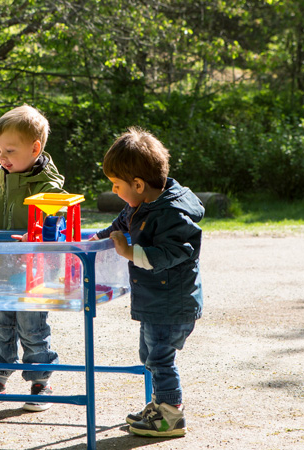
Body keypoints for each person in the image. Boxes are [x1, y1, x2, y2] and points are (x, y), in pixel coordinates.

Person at [90, 127, 204, 437]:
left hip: (172, 303)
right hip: (157, 301)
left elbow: (172, 253)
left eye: (116, 185)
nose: (114, 191)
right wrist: (95, 239)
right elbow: (122, 222)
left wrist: (128, 251)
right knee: (150, 355)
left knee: (159, 359)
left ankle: (170, 416)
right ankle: (159, 406)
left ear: (138, 184)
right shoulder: (141, 204)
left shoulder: (172, 214)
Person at [0, 105, 66, 412]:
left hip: (34, 272)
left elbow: (57, 214)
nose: (2, 158)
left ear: (35, 148)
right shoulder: (3, 177)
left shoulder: (47, 185)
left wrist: (40, 232)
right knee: (1, 323)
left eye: (9, 151)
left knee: (32, 326)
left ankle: (41, 381)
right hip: (1, 266)